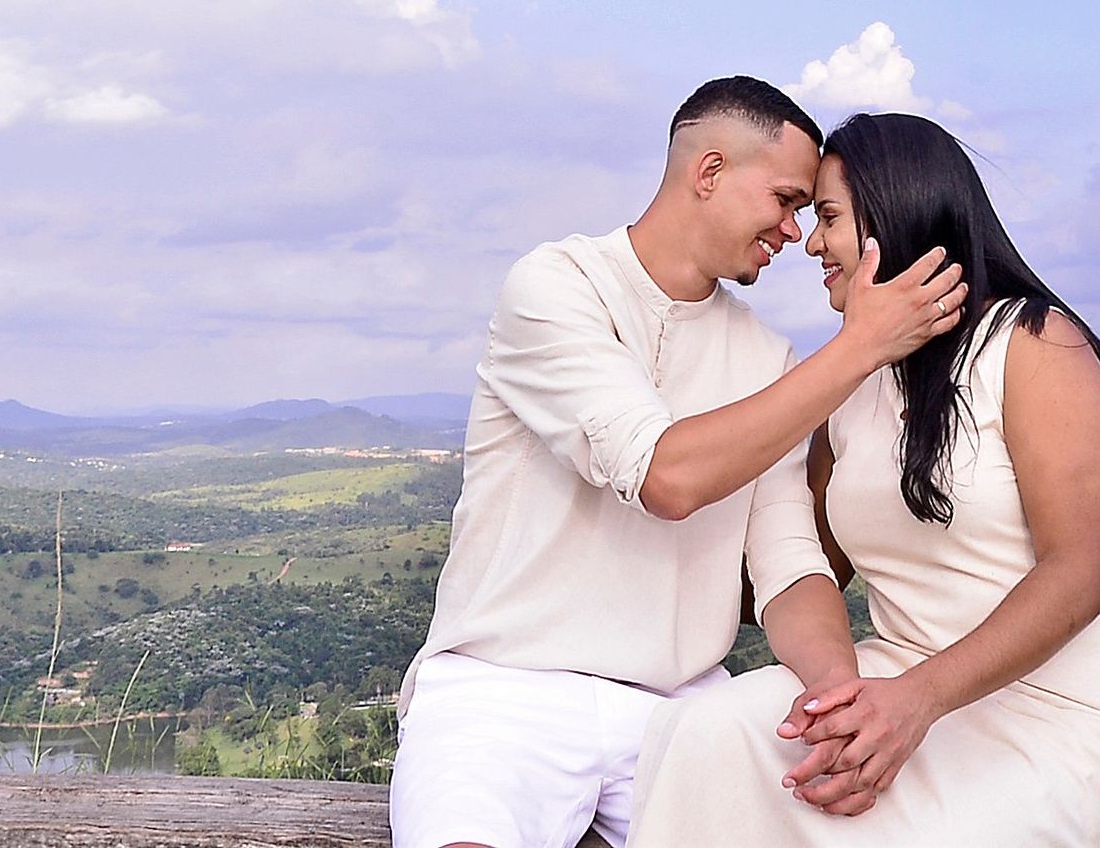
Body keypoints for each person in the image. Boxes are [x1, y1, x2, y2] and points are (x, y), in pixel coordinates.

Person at [389, 77, 967, 848]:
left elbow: (791, 567)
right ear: (710, 171)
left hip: (679, 705)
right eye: (787, 198)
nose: (795, 232)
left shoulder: (771, 360)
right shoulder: (557, 286)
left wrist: (838, 696)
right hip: (502, 688)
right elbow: (666, 476)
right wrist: (861, 346)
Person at [625, 112, 1100, 847]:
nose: (809, 241)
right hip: (898, 687)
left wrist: (916, 701)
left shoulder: (1033, 342)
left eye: (827, 215)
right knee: (707, 735)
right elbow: (798, 568)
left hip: (1073, 720)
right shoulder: (850, 387)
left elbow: (1082, 574)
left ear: (892, 211)